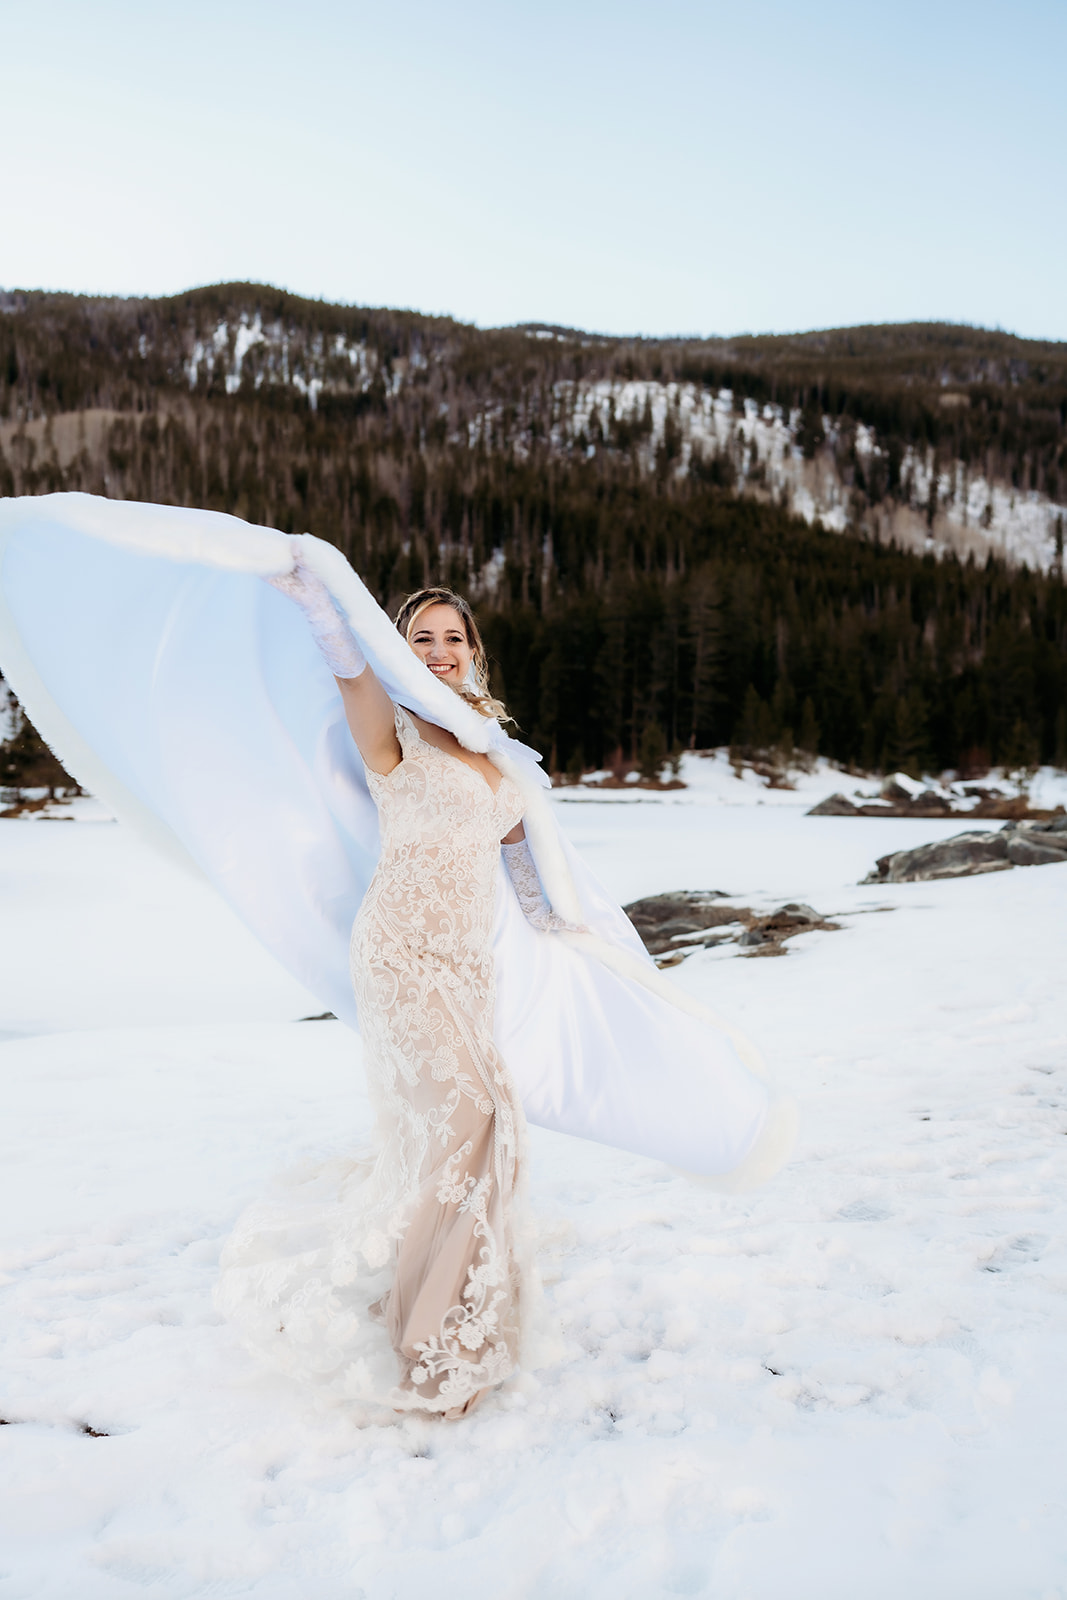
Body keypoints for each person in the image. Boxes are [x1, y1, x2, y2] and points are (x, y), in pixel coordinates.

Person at [0, 492, 794, 1422]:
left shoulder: (502, 762)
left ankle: (449, 1315)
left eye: (453, 637)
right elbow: (349, 677)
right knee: (463, 1124)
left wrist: (585, 956)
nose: (439, 650)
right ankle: (429, 1349)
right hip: (402, 951)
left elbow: (534, 880)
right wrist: (312, 593)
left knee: (484, 1128)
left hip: (470, 960)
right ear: (400, 651)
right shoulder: (398, 737)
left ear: (474, 653)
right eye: (420, 638)